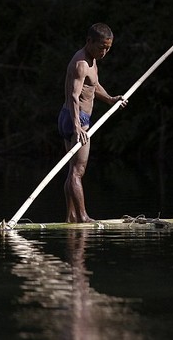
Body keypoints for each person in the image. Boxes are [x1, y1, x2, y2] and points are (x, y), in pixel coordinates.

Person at [58, 23, 126, 223]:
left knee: (72, 171)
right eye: (100, 47)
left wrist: (111, 99)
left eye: (107, 48)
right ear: (89, 41)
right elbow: (73, 95)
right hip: (76, 119)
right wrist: (78, 125)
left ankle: (71, 216)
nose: (104, 52)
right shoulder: (81, 63)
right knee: (78, 172)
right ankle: (83, 217)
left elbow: (93, 85)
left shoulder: (92, 60)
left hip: (68, 117)